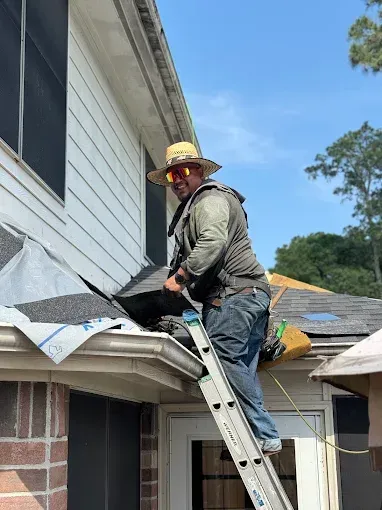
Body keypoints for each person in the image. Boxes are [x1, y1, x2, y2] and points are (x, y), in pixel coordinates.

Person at [147, 141, 282, 456]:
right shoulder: (205, 201)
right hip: (247, 295)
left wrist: (180, 278)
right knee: (240, 367)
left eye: (182, 171)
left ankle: (265, 434)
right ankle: (257, 436)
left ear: (198, 171)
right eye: (170, 176)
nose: (177, 180)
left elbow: (212, 241)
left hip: (233, 297)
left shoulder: (209, 199)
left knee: (222, 360)